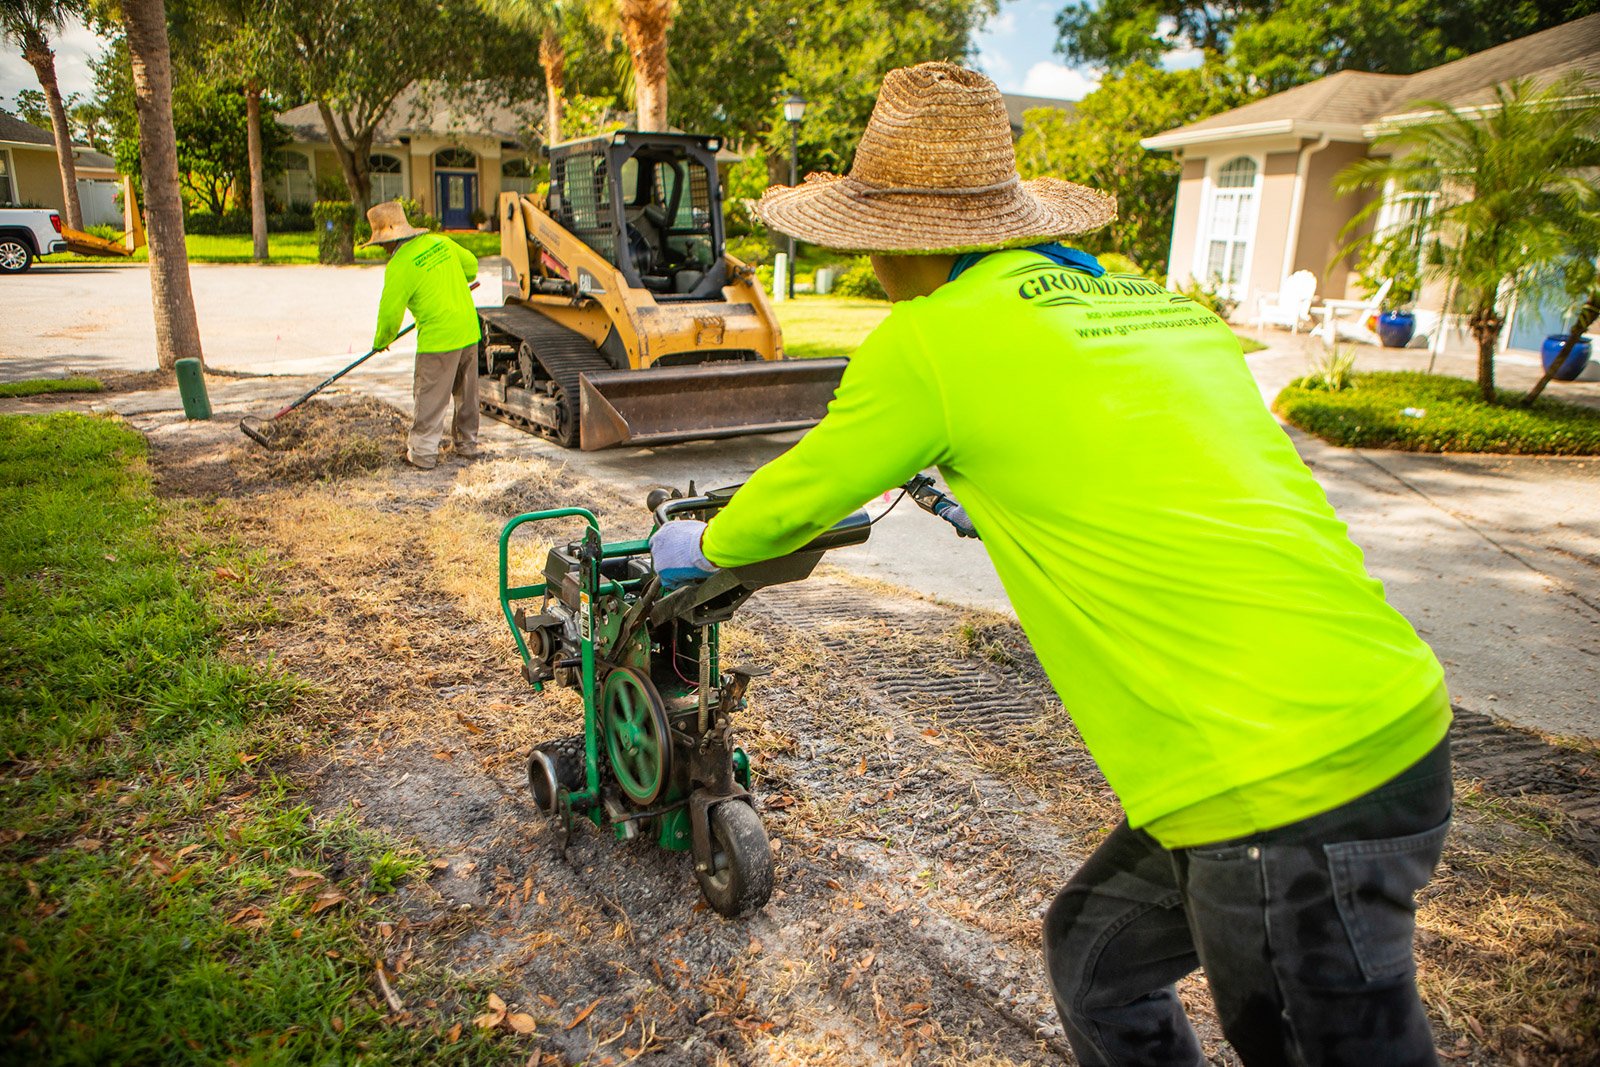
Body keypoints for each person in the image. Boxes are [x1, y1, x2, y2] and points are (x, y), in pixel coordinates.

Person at [650, 62, 1452, 1066]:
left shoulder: (932, 340)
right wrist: (996, 502)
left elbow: (801, 496)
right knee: (1096, 961)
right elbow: (1166, 466)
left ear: (909, 243)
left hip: (1279, 782)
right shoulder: (1152, 305)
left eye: (869, 244)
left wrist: (701, 545)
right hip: (1388, 709)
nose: (869, 268)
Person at [365, 201, 482, 470]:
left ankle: (423, 454)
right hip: (468, 329)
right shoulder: (440, 242)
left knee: (430, 397)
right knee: (467, 395)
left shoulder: (400, 265)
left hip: (438, 339)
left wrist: (381, 341)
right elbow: (471, 267)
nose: (382, 249)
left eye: (381, 244)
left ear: (389, 241)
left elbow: (390, 314)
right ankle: (467, 445)